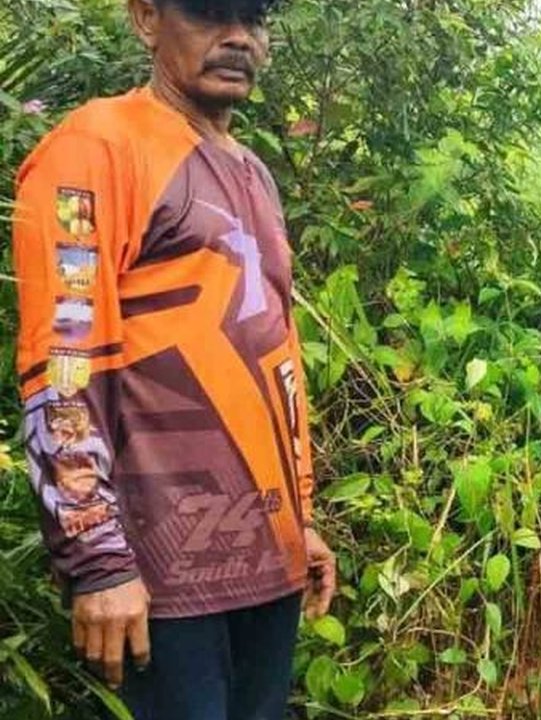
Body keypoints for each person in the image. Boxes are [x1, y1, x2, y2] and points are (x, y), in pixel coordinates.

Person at [12, 1, 336, 717]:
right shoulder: (95, 148)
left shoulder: (252, 173)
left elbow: (276, 353)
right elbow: (61, 364)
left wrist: (300, 519)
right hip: (159, 575)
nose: (238, 37)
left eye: (254, 18)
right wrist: (96, 561)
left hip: (267, 562)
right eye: (211, 11)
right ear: (147, 17)